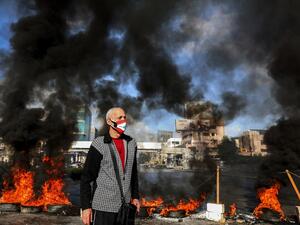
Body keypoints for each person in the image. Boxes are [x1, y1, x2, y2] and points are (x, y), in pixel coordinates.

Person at [80, 107, 140, 225]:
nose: (123, 121)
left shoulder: (132, 143)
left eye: (124, 117)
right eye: (119, 118)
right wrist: (86, 207)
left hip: (126, 207)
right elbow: (86, 178)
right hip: (103, 207)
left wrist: (135, 196)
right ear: (109, 121)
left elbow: (133, 174)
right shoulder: (99, 144)